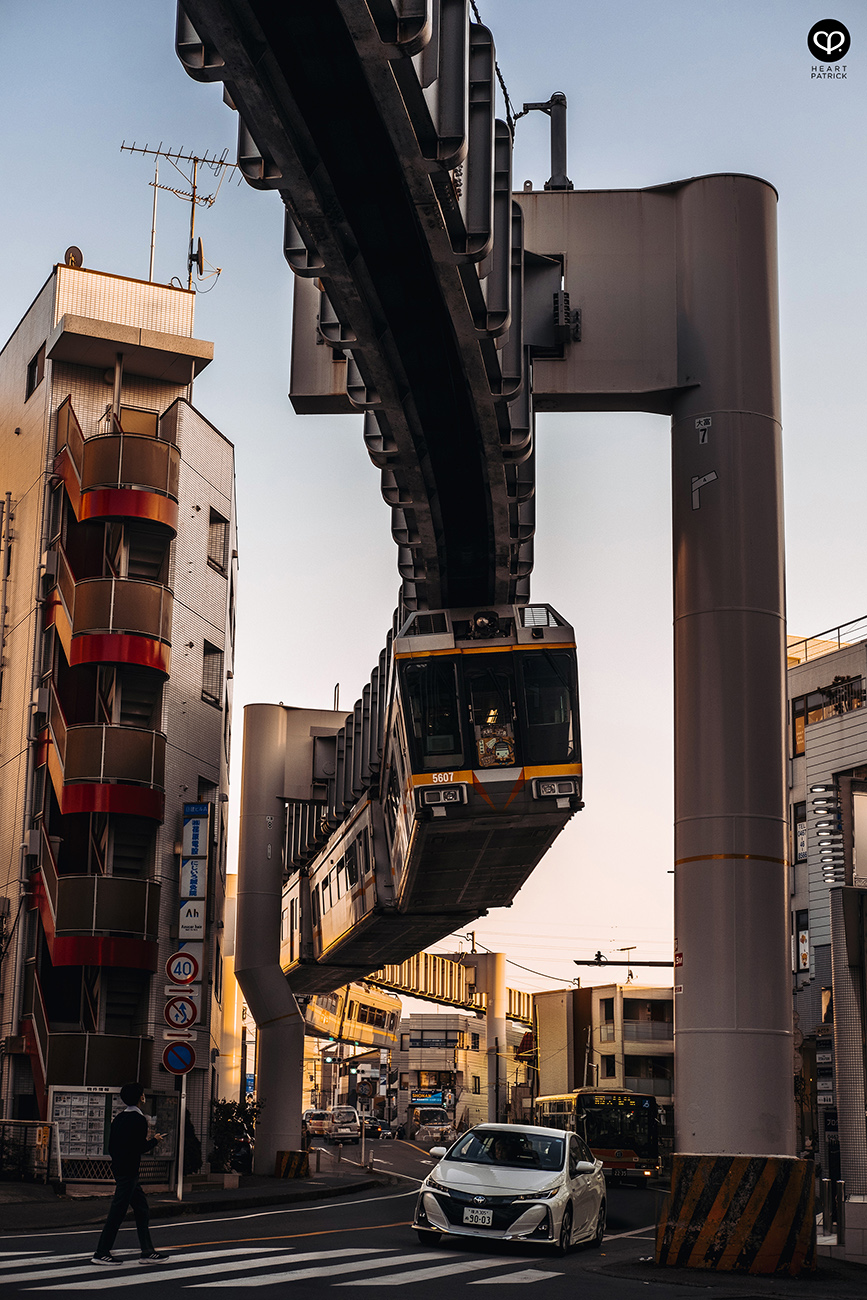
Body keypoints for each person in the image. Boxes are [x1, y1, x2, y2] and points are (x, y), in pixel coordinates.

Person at [91, 1082, 169, 1265]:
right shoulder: (139, 1120)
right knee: (117, 1213)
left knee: (142, 1210)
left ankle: (147, 1251)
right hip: (129, 1172)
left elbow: (112, 1147)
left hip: (121, 1170)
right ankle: (101, 1252)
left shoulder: (118, 1119)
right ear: (141, 1097)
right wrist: (155, 1141)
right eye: (142, 1094)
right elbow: (139, 1147)